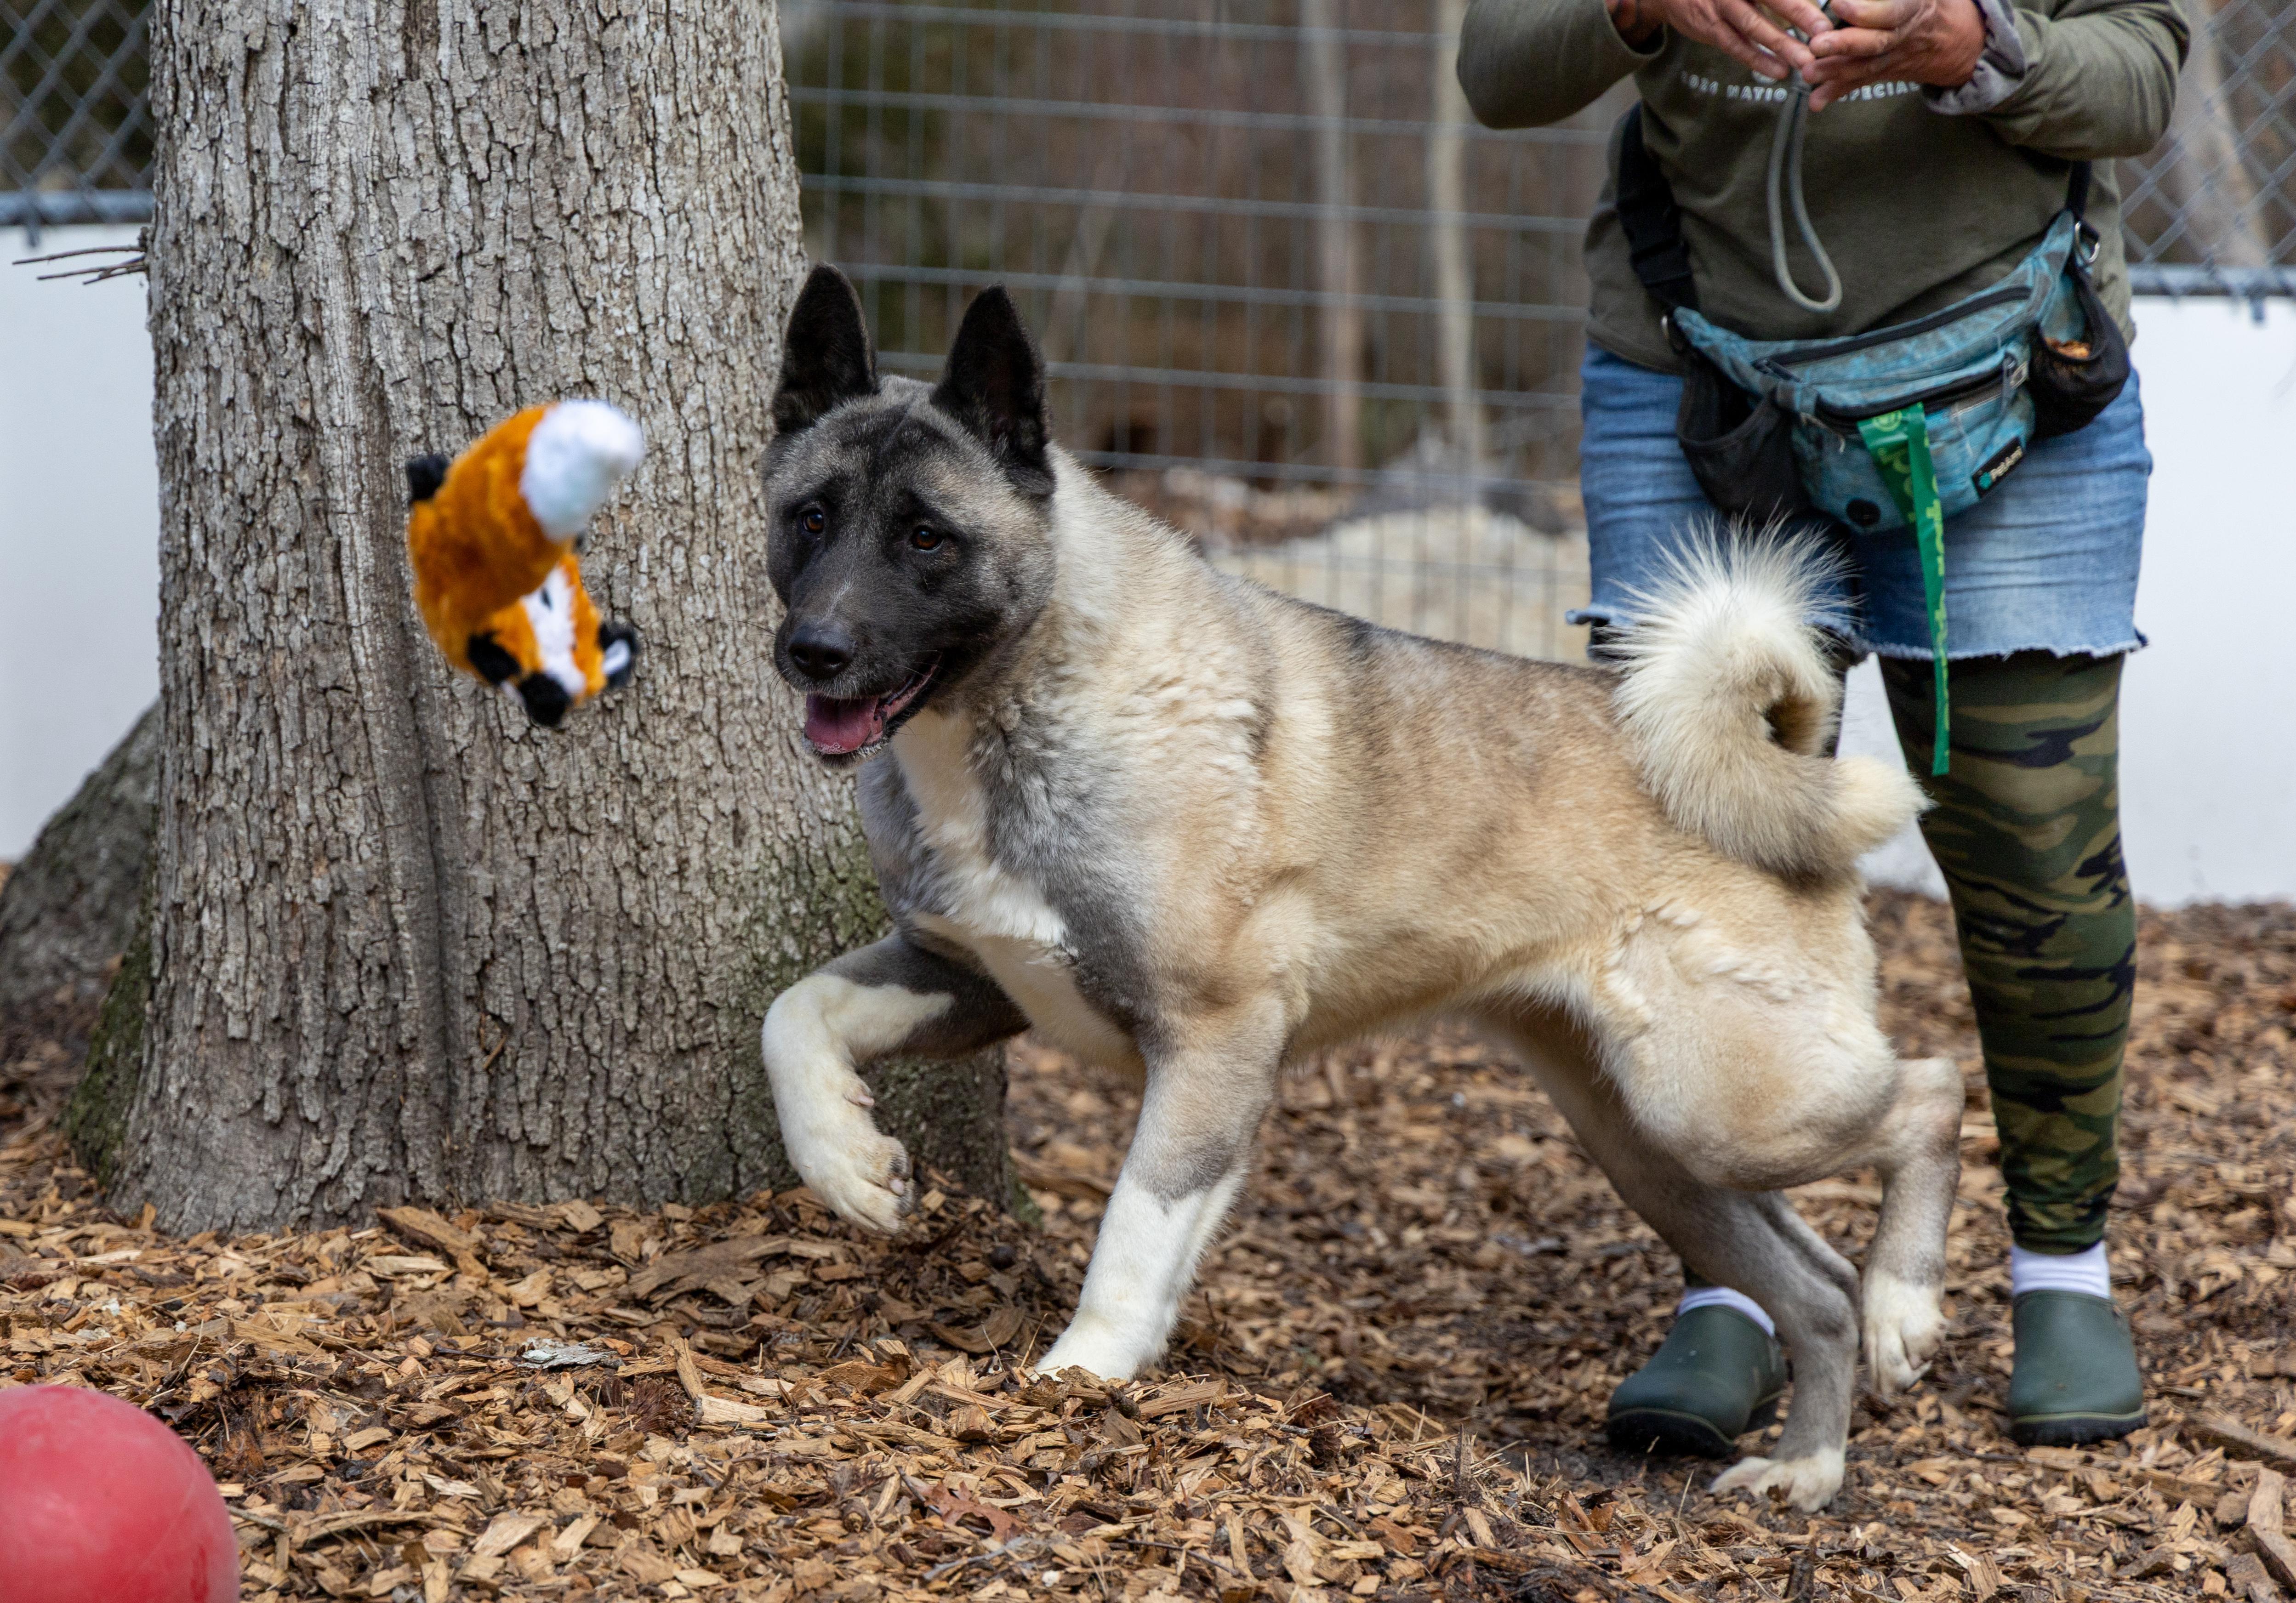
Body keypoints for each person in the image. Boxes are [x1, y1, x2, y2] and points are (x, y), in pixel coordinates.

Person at [1459, 0, 2187, 1450]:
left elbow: (2140, 81)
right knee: (1687, 852)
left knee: (2029, 849)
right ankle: (1732, 1288)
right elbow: (1495, 67)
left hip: (2013, 372)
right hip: (1694, 374)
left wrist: (1979, 45)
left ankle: (2060, 1269)